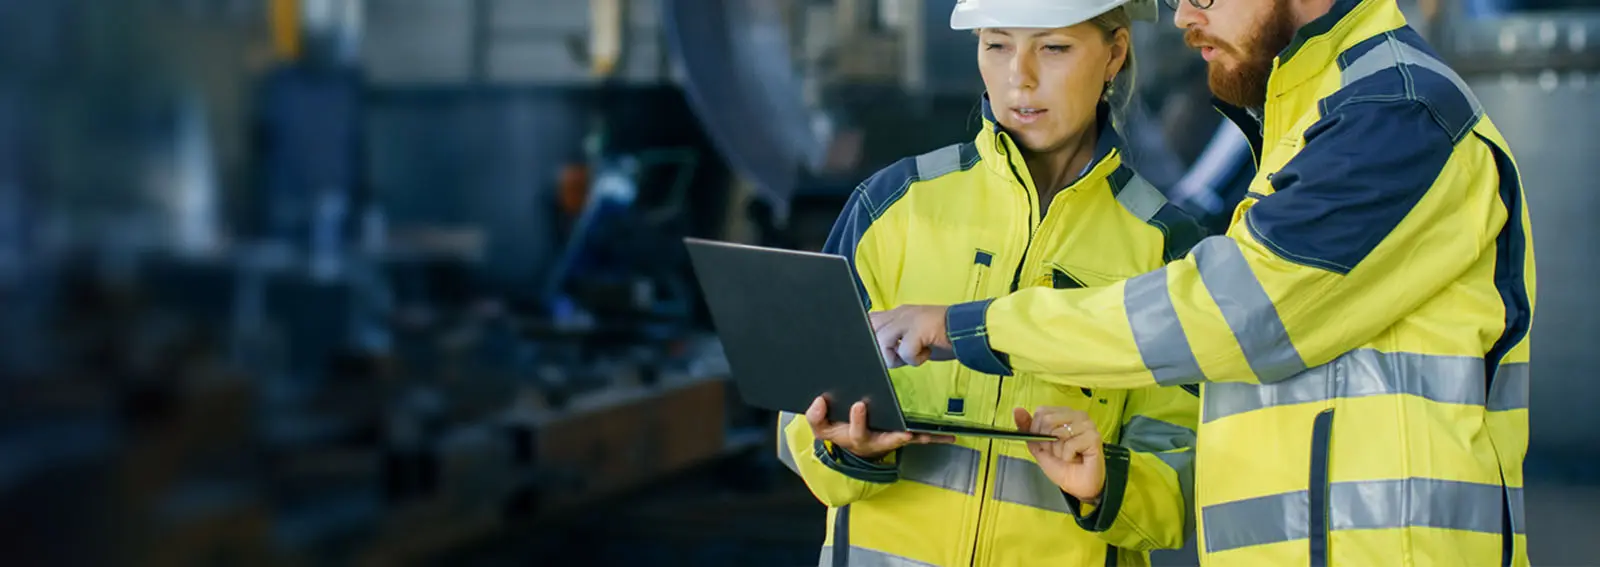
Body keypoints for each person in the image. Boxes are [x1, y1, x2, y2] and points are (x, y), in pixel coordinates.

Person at [871, 0, 1536, 564]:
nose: (1186, 15)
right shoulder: (1317, 115)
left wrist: (975, 327)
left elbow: (1238, 313)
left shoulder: (1396, 112)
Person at [776, 0, 1211, 565]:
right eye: (997, 44)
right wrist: (846, 447)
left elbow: (1183, 480)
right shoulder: (892, 206)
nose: (1019, 77)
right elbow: (796, 422)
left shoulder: (1164, 248)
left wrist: (1106, 484)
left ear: (1115, 53)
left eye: (1053, 47)